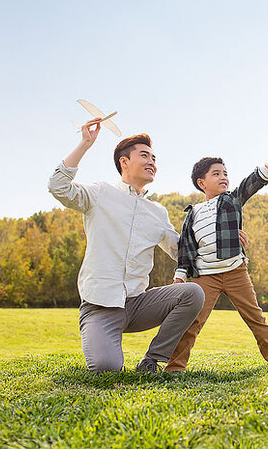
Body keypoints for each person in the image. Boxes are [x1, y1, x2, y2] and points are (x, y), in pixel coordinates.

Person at [48, 118, 206, 373]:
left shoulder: (158, 212)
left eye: (154, 158)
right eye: (145, 156)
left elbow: (182, 251)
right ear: (124, 162)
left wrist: (225, 237)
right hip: (100, 305)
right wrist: (85, 144)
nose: (152, 162)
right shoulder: (100, 193)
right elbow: (58, 187)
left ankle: (152, 359)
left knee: (192, 293)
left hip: (138, 304)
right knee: (106, 369)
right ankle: (103, 345)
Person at [166, 146, 268, 372]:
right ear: (201, 183)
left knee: (255, 316)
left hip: (235, 272)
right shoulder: (193, 213)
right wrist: (180, 276)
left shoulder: (232, 201)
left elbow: (255, 180)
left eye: (225, 173)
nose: (224, 177)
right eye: (216, 173)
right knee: (192, 322)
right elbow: (186, 248)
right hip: (205, 277)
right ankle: (175, 367)